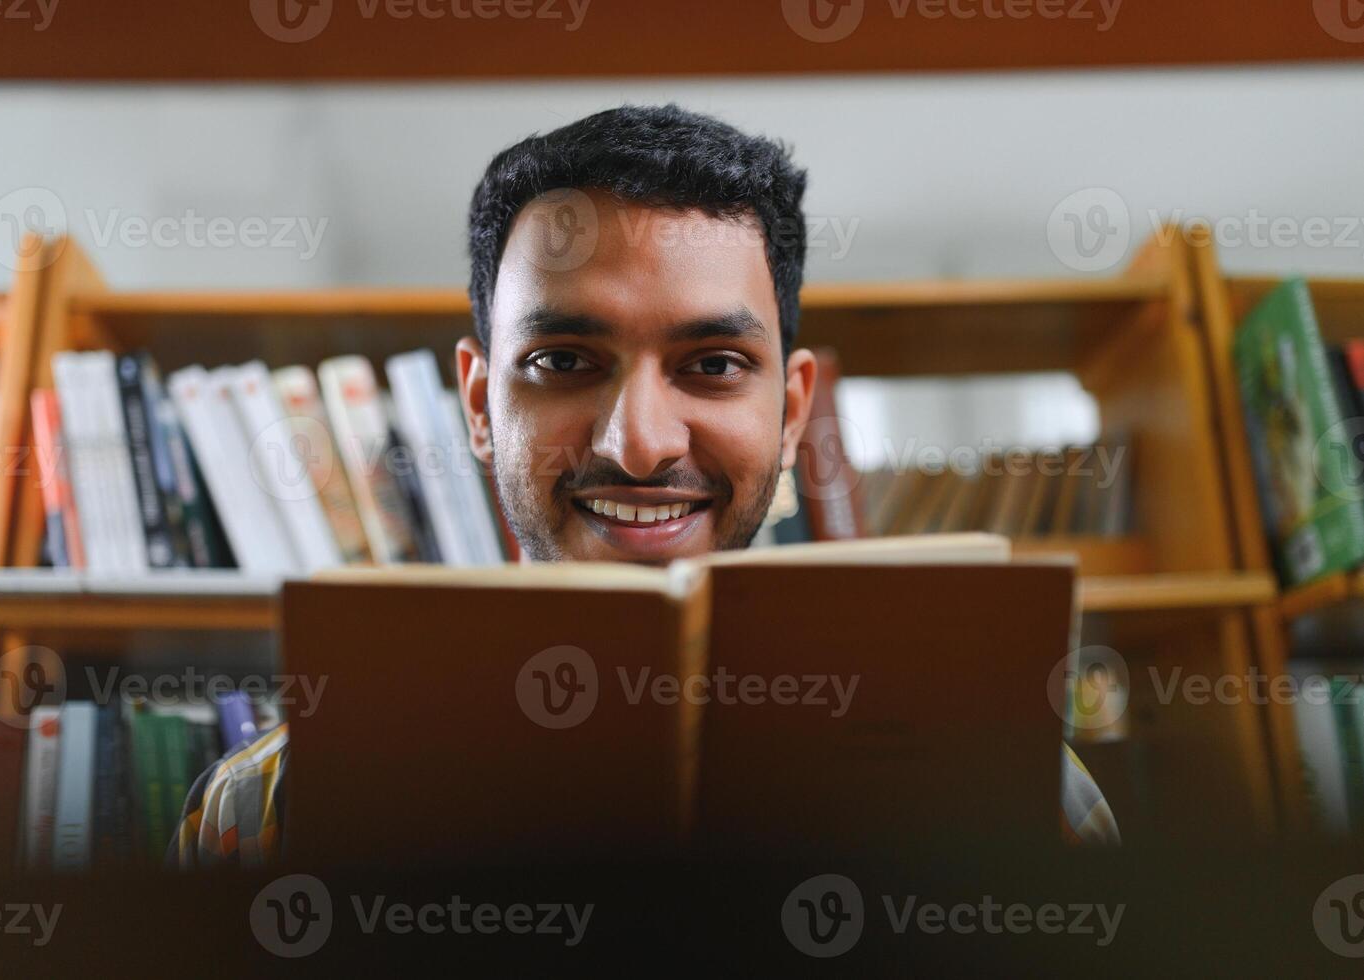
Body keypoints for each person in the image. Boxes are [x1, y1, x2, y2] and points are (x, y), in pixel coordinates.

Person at [173, 104, 1118, 868]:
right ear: (476, 401)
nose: (638, 446)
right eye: (562, 359)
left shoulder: (1016, 795)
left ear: (791, 413)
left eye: (711, 366)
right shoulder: (270, 811)